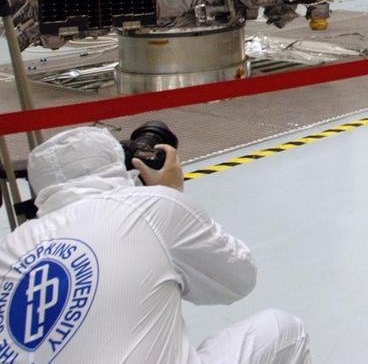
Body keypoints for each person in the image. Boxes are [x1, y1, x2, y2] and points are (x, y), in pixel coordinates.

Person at [0, 127, 312, 364]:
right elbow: (238, 279)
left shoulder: (10, 248)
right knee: (283, 329)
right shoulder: (148, 206)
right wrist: (172, 195)